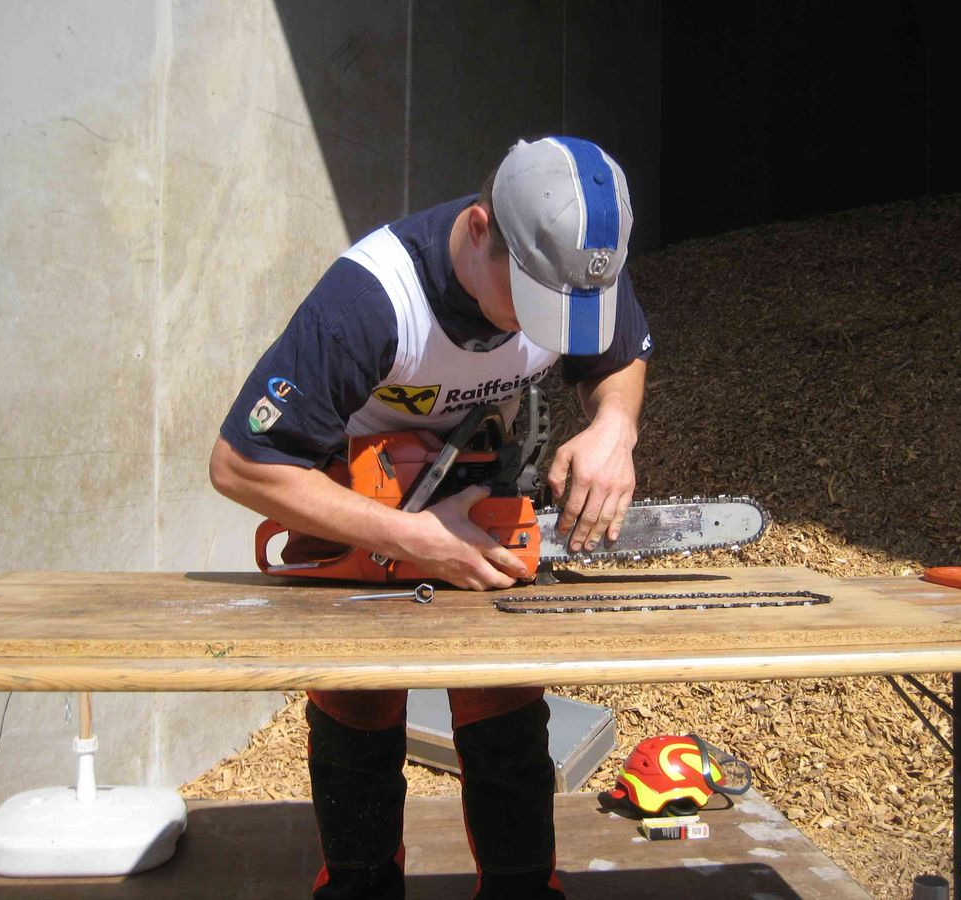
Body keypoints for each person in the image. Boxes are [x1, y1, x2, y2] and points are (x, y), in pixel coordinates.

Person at [210, 136, 652, 899]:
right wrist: (412, 536)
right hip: (353, 511)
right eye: (536, 304)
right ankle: (360, 885)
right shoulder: (371, 300)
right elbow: (241, 463)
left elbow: (619, 359)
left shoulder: (574, 261)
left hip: (478, 488)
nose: (554, 329)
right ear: (481, 231)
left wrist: (617, 424)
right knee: (357, 714)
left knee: (505, 716)